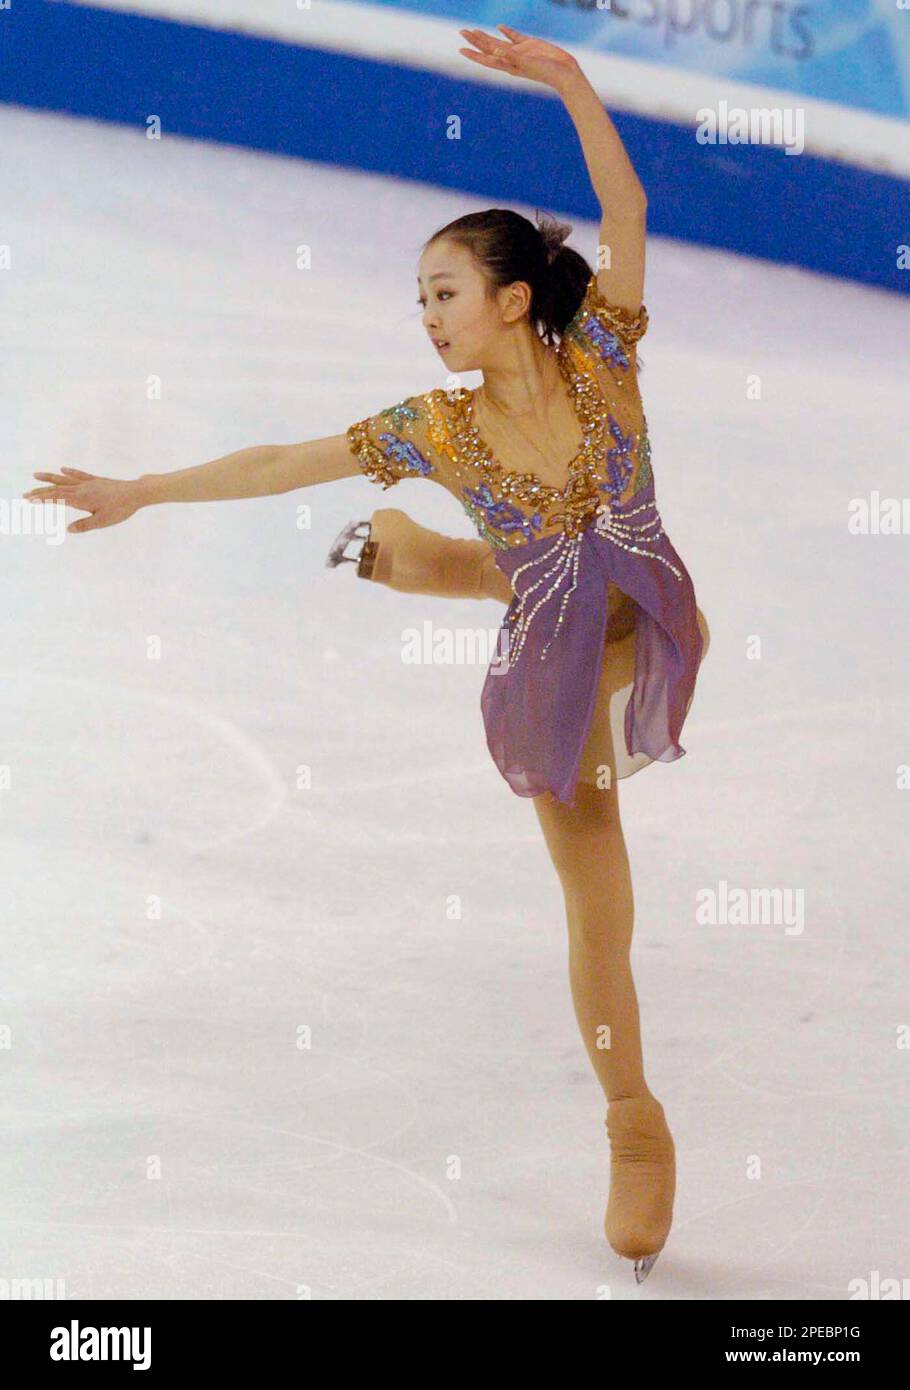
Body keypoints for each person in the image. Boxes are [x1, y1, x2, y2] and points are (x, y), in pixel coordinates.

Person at [22, 25, 709, 1283]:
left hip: (647, 608)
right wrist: (143, 489)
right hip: (554, 667)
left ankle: (426, 560)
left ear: (511, 297)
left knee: (552, 551)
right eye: (418, 303)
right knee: (596, 899)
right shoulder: (432, 426)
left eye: (442, 293)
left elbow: (625, 200)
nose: (427, 318)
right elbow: (283, 461)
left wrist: (569, 81)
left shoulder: (603, 346)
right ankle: (632, 1121)